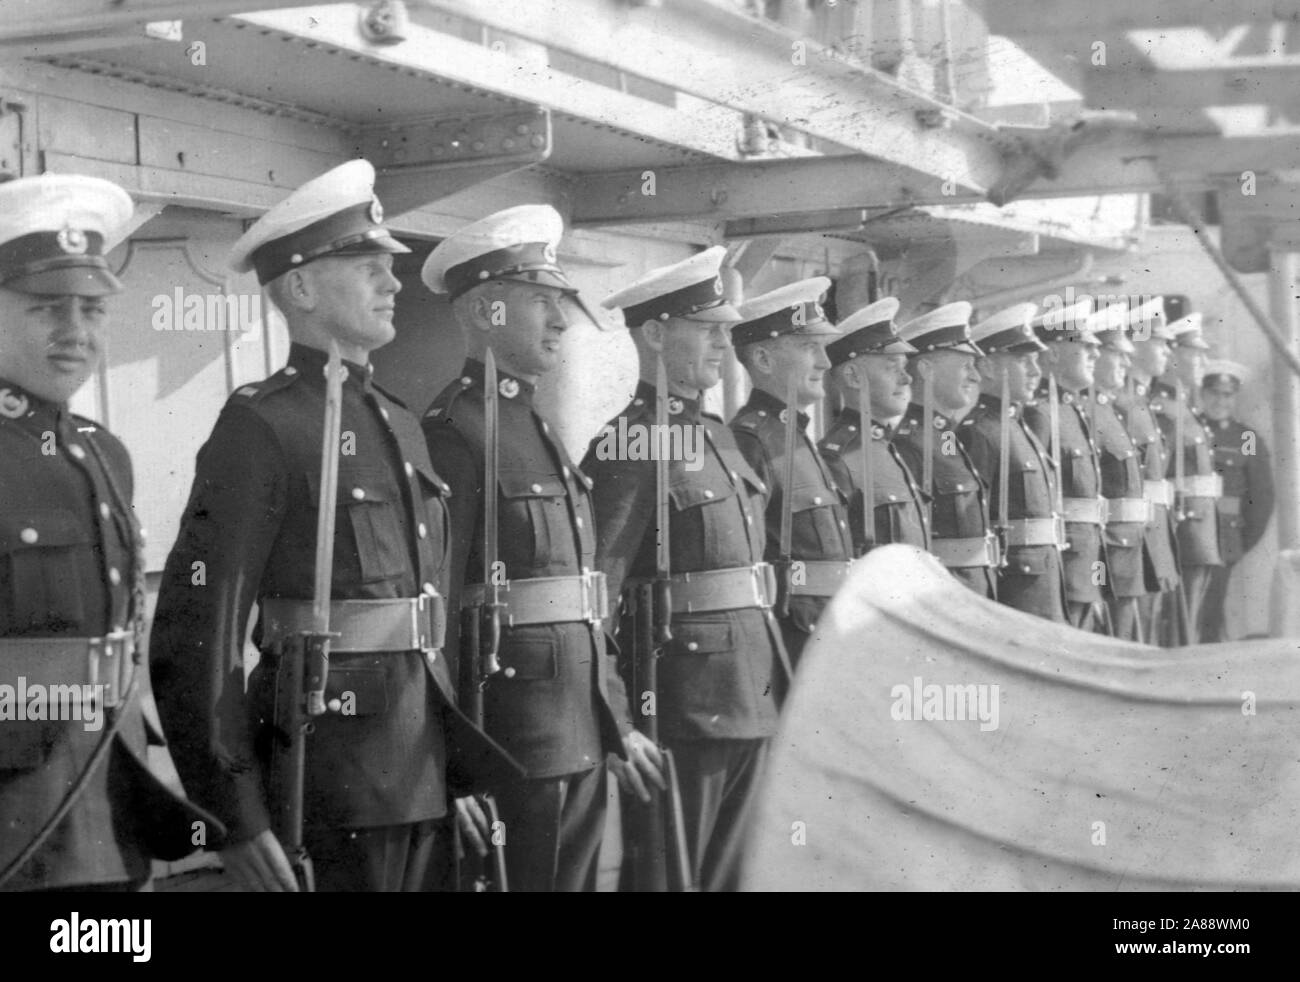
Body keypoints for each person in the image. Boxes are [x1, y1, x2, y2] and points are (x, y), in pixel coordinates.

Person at [150, 160, 517, 892]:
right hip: (326, 781)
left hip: (422, 773)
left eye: (391, 265)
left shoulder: (403, 425)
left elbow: (425, 627)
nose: (392, 282)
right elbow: (196, 636)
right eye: (366, 264)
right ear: (301, 287)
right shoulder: (262, 427)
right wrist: (237, 814)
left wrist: (457, 767)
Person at [421, 204, 652, 892]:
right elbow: (434, 619)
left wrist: (613, 720)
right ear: (488, 313)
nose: (560, 320)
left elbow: (583, 598)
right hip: (510, 741)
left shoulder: (537, 427)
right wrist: (450, 761)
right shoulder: (454, 433)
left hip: (573, 730)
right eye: (540, 302)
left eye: (560, 303)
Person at [0, 173, 219, 892]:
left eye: (91, 309)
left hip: (111, 803)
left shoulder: (103, 452)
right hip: (18, 819)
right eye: (45, 308)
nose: (76, 331)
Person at [584, 247, 789, 891]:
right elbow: (599, 592)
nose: (721, 345)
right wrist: (617, 721)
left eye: (726, 331)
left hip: (750, 693)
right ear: (653, 333)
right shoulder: (634, 439)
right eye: (706, 329)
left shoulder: (719, 433)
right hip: (680, 706)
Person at [729, 277, 853, 669]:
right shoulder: (751, 440)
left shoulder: (797, 438)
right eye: (809, 348)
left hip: (826, 633)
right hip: (789, 643)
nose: (825, 362)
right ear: (763, 360)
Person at [961, 302, 1068, 621]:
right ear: (989, 368)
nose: (1036, 371)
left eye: (1036, 361)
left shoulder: (1019, 426)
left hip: (1044, 580)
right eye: (1024, 361)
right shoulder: (979, 432)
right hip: (1014, 589)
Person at [892, 302, 998, 598]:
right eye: (966, 366)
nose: (975, 377)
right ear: (926, 369)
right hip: (944, 596)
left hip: (970, 591)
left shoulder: (943, 435)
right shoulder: (908, 442)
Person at [1023, 299, 1112, 634]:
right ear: (1054, 354)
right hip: (1065, 563)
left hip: (1087, 557)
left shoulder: (1071, 410)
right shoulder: (1041, 413)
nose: (1096, 354)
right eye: (1085, 346)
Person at [819, 296, 929, 554]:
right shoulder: (837, 458)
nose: (907, 378)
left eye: (905, 367)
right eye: (893, 368)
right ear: (853, 377)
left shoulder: (885, 447)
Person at [1084, 305, 1160, 642]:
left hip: (1126, 551)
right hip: (1105, 556)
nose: (1127, 364)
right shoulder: (1086, 414)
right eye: (1118, 354)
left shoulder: (1110, 410)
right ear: (1097, 354)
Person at [1151, 311, 1222, 644]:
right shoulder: (1161, 409)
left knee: (1192, 627)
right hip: (1184, 533)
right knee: (1180, 633)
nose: (1202, 361)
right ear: (1174, 356)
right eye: (1195, 353)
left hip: (1199, 533)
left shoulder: (1182, 408)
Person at [1115, 298, 1183, 646]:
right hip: (1136, 539)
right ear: (1136, 343)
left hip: (1155, 535)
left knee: (1151, 632)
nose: (1166, 348)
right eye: (1158, 340)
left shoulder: (1140, 402)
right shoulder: (1122, 404)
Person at [1198, 359, 1274, 642]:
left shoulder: (1246, 438)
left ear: (1235, 398)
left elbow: (1262, 498)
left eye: (1227, 395)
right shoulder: (1185, 429)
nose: (1220, 401)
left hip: (1223, 536)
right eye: (1213, 393)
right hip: (1186, 535)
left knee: (1210, 609)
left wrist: (1241, 542)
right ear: (1202, 394)